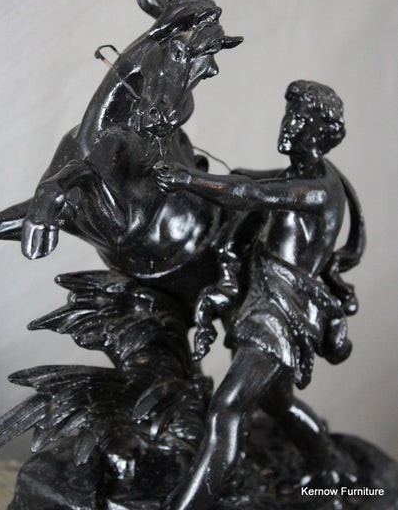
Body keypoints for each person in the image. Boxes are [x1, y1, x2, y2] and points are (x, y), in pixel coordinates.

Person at [154, 80, 365, 510]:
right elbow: (249, 179)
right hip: (261, 301)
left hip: (280, 314)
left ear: (319, 131)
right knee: (279, 403)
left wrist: (188, 180)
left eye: (299, 119)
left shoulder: (319, 190)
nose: (288, 125)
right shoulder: (300, 174)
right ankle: (326, 471)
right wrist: (189, 158)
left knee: (226, 409)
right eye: (289, 115)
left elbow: (250, 194)